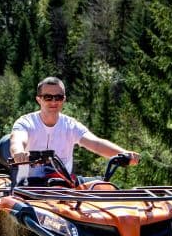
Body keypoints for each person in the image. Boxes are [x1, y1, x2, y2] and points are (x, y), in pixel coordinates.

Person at [9, 76, 139, 181]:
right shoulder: (26, 122)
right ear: (39, 99)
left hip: (63, 185)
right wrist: (18, 152)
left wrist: (124, 154)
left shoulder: (70, 125)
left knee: (102, 186)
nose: (53, 102)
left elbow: (96, 144)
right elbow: (17, 140)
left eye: (58, 97)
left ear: (64, 99)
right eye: (48, 97)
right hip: (29, 186)